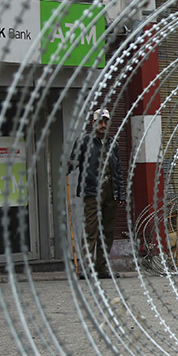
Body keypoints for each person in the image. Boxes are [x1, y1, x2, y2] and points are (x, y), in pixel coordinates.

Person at [68, 108, 128, 279]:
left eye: (106, 122)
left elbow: (118, 170)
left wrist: (120, 193)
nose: (103, 125)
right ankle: (86, 268)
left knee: (107, 230)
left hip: (110, 189)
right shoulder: (84, 141)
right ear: (93, 123)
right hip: (92, 190)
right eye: (100, 121)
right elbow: (75, 161)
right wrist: (68, 165)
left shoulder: (113, 144)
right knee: (91, 229)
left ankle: (101, 267)